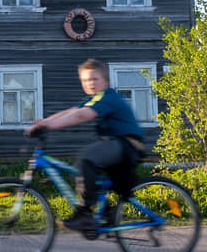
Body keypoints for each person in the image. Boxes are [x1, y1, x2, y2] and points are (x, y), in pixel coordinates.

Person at [24, 58, 144, 232]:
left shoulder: (107, 97)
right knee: (79, 173)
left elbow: (81, 116)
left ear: (106, 81)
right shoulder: (94, 99)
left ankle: (84, 214)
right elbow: (71, 111)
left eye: (94, 79)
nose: (90, 83)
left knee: (87, 159)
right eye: (86, 80)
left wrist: (49, 126)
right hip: (116, 144)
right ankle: (108, 213)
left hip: (127, 144)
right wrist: (43, 122)